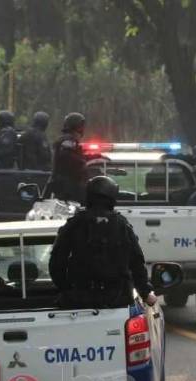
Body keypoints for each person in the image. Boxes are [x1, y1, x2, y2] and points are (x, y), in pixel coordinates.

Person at [49, 175, 157, 309]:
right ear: (112, 198)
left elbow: (57, 261)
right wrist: (145, 293)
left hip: (79, 301)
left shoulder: (75, 224)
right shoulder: (121, 225)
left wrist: (67, 290)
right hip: (116, 301)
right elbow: (136, 262)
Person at [45, 112, 89, 204]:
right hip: (67, 188)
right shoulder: (68, 140)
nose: (83, 129)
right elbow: (67, 156)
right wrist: (82, 162)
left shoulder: (68, 140)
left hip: (66, 186)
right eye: (81, 126)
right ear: (76, 126)